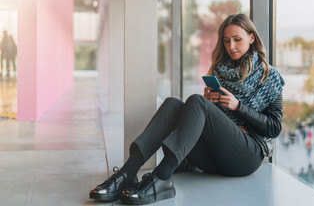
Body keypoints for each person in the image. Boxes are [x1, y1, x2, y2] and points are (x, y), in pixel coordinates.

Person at [89, 13, 285, 205]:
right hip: (214, 156)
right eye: (226, 41)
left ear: (251, 38)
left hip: (245, 156)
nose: (231, 46)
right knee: (173, 104)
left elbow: (274, 128)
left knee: (197, 101)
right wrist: (214, 105)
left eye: (237, 39)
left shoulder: (269, 75)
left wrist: (238, 106)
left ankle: (161, 178)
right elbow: (216, 124)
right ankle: (127, 173)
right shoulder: (220, 71)